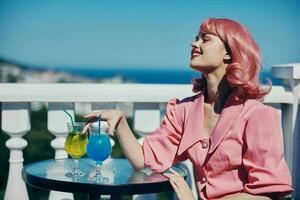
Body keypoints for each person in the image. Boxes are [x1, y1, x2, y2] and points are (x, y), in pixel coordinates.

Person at [84, 18, 293, 200]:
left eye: (205, 39)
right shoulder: (184, 110)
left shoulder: (257, 116)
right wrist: (120, 122)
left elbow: (266, 193)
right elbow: (143, 160)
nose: (194, 43)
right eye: (196, 38)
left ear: (229, 53)